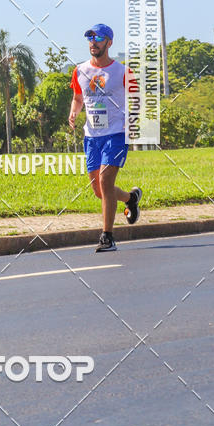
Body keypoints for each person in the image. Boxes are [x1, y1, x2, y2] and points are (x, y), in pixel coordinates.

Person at [69, 23, 142, 253]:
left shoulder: (122, 71)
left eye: (98, 38)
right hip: (92, 136)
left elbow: (137, 97)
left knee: (104, 181)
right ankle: (130, 198)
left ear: (109, 42)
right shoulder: (80, 71)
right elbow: (78, 98)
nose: (93, 41)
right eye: (90, 37)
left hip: (116, 133)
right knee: (100, 190)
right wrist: (73, 112)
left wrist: (133, 121)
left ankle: (107, 237)